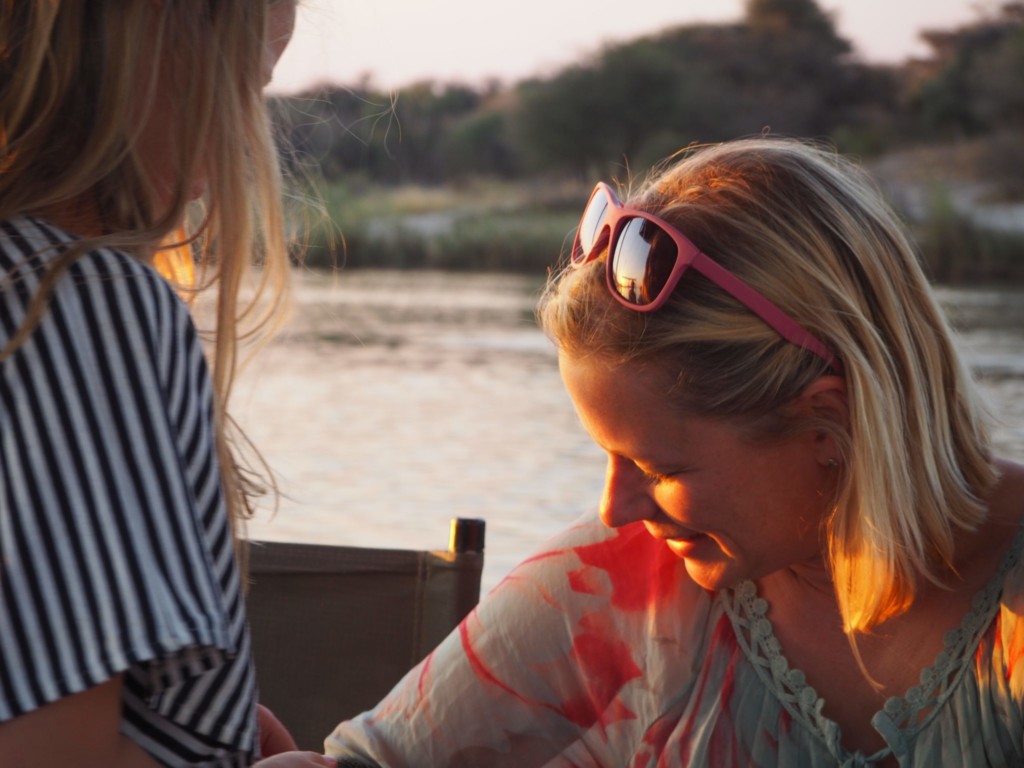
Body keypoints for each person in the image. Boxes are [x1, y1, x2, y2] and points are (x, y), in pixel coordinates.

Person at [324, 137, 1024, 766]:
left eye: (658, 470)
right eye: (607, 457)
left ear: (826, 424)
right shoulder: (618, 583)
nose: (616, 507)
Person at [0, 2, 334, 766]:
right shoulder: (72, 305)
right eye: (244, 84)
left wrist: (193, 723)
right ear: (155, 54)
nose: (238, 141)